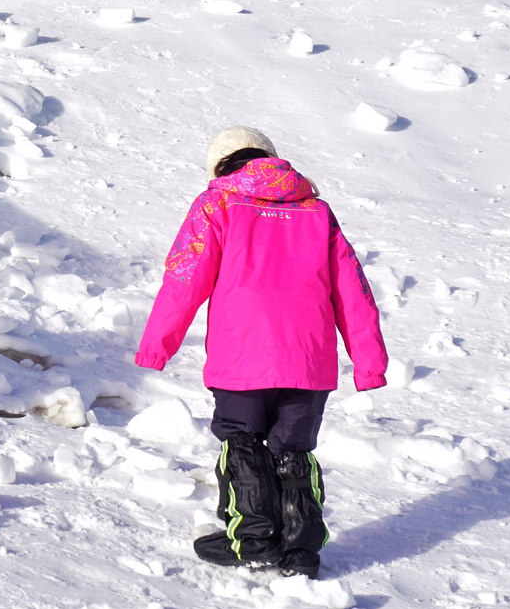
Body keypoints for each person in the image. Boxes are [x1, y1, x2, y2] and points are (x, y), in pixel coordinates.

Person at [134, 126, 389, 578]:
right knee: (294, 448)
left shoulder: (217, 204)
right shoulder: (317, 211)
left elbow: (183, 279)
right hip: (309, 359)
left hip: (242, 355)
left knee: (242, 438)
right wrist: (368, 362)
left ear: (220, 166)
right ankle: (300, 552)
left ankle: (251, 538)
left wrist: (157, 345)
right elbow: (354, 291)